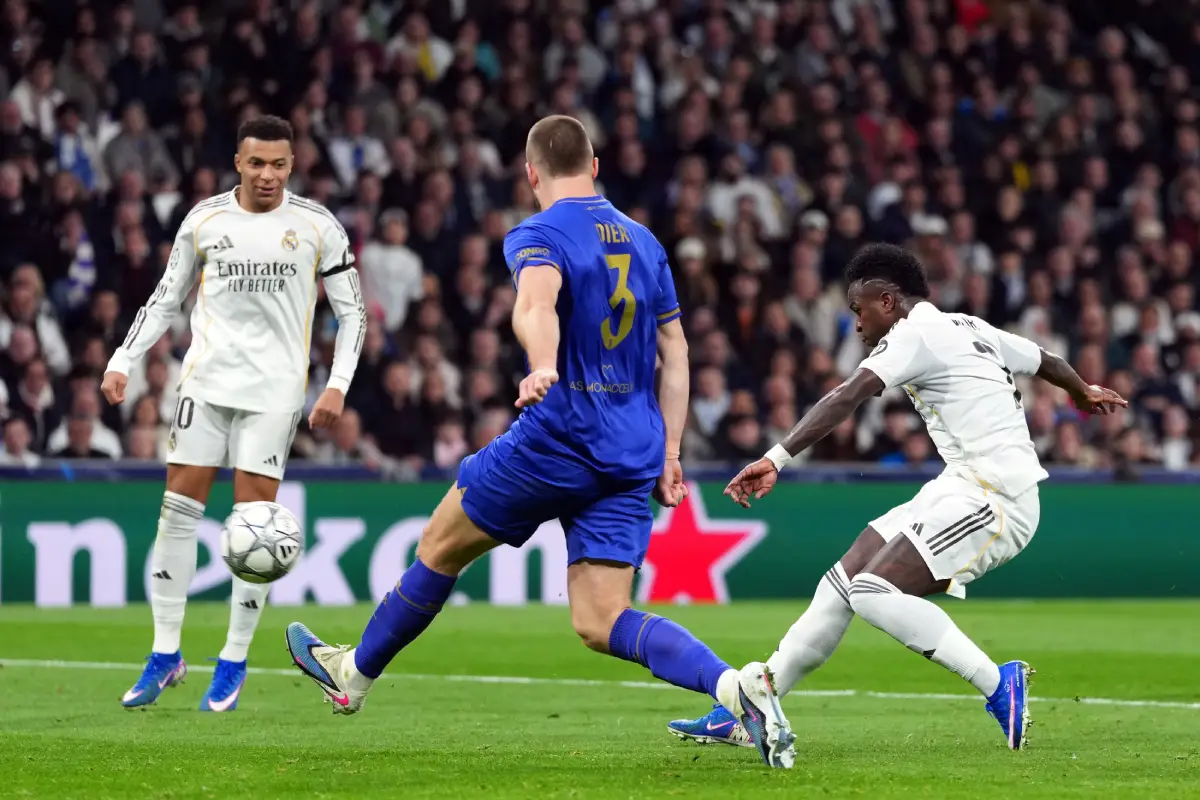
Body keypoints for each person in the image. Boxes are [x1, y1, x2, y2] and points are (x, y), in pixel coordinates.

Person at [285, 115, 797, 770]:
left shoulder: (539, 232)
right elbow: (676, 349)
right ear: (596, 163)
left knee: (440, 545)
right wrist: (671, 452)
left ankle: (352, 676)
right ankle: (738, 687)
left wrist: (543, 362)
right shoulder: (646, 243)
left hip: (562, 433)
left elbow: (537, 303)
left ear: (531, 173)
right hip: (634, 448)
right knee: (601, 620)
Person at [667, 243, 1127, 752]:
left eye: (857, 309)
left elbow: (846, 396)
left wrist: (775, 457)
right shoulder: (968, 326)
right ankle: (752, 706)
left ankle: (999, 684)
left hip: (998, 498)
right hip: (963, 486)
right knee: (843, 581)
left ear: (887, 301)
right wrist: (1083, 390)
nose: (856, 323)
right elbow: (1047, 360)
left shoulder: (913, 335)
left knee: (871, 591)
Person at [103, 115, 366, 712]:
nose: (267, 175)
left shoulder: (317, 226)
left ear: (292, 165)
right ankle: (166, 655)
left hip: (274, 393)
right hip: (206, 383)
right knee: (176, 515)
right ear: (238, 162)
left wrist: (338, 385)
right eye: (256, 163)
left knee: (256, 530)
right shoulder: (205, 220)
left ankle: (234, 658)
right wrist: (123, 359)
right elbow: (164, 299)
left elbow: (354, 314)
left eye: (278, 164)